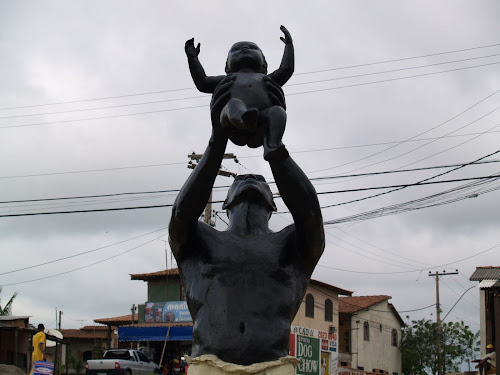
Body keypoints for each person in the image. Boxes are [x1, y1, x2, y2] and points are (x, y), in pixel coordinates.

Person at [169, 73, 324, 374]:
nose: (250, 178)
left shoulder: (291, 246)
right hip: (208, 365)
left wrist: (276, 153)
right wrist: (217, 142)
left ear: (273, 204)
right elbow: (181, 214)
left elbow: (310, 215)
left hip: (274, 366)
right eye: (239, 179)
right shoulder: (201, 242)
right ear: (225, 205)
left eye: (260, 181)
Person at [185, 25, 294, 160]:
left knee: (277, 111)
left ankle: (273, 145)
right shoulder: (227, 80)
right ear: (228, 64)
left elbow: (286, 69)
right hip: (233, 124)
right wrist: (192, 58)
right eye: (236, 50)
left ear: (263, 61)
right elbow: (203, 82)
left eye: (252, 48)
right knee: (234, 104)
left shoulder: (267, 79)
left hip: (262, 122)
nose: (245, 49)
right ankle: (244, 119)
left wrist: (289, 46)